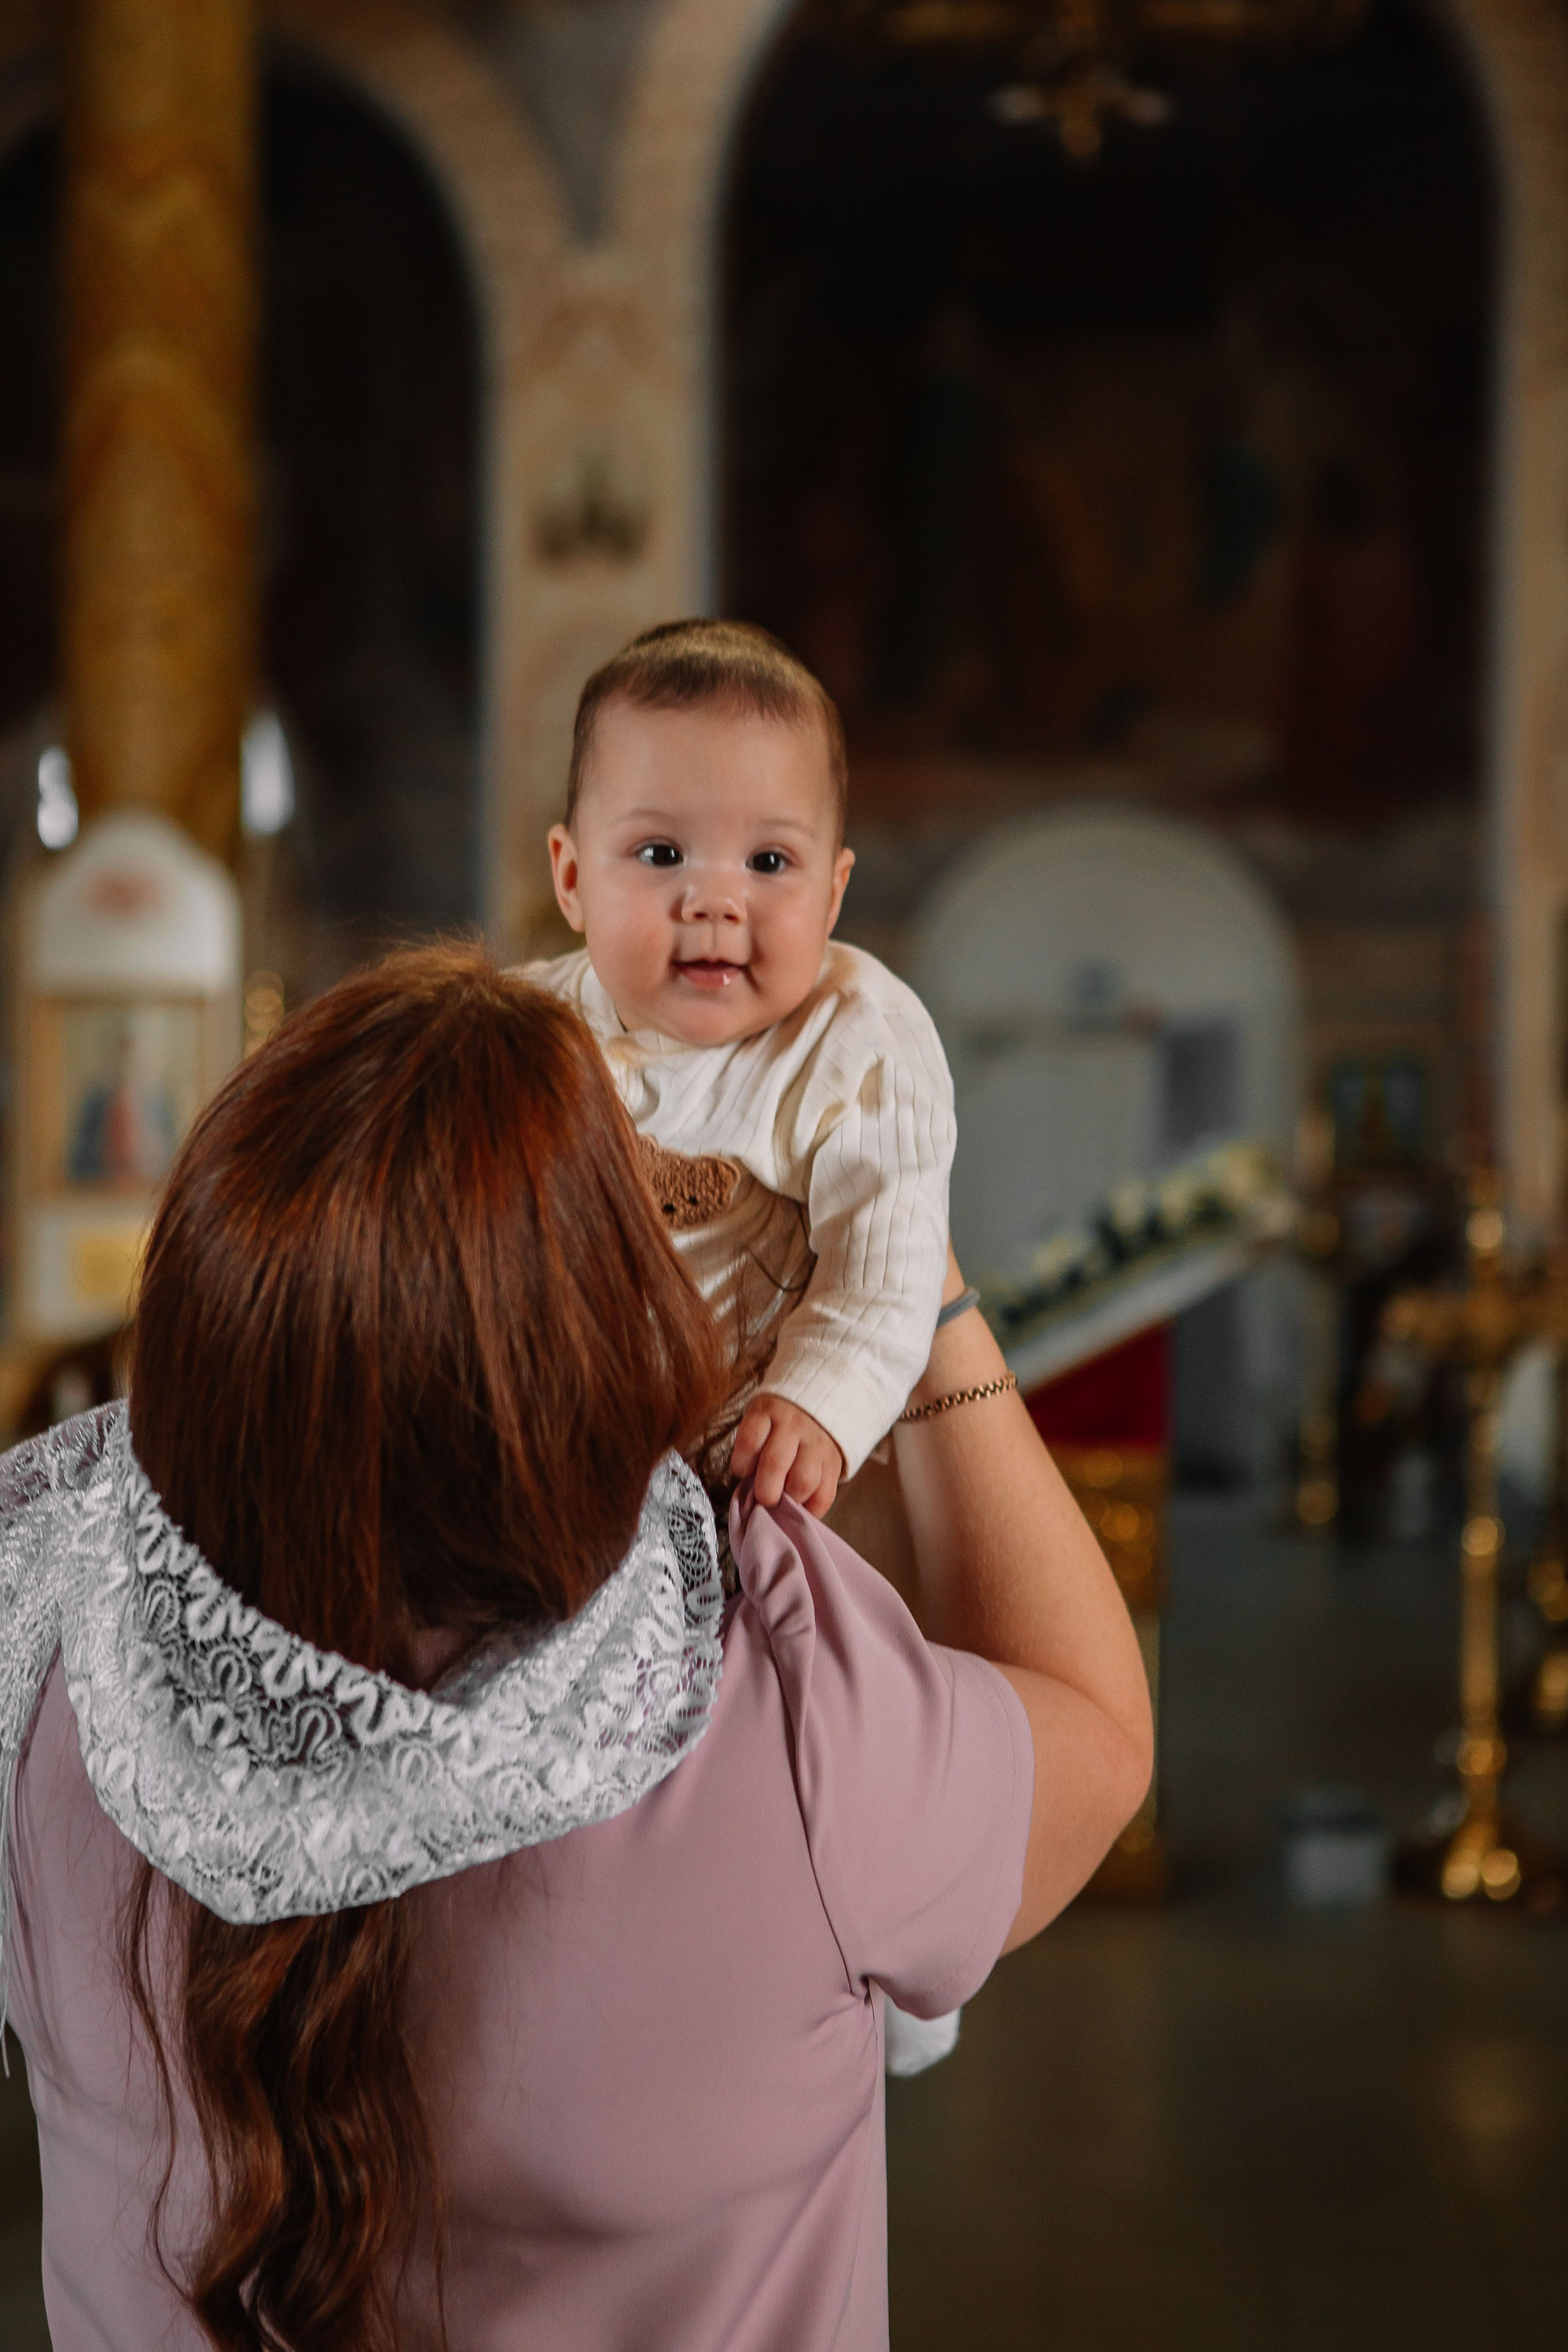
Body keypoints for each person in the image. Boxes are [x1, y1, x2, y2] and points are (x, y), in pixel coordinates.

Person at [1, 946, 1151, 2352]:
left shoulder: (44, 1669)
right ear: (603, 1332)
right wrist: (902, 1264)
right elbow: (1095, 1733)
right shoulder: (777, 1708)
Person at [535, 617, 955, 1522]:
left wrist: (818, 1399)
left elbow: (884, 1268)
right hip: (543, 1450)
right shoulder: (524, 1030)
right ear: (571, 878)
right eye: (660, 855)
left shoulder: (853, 1042)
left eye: (769, 862)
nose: (715, 901)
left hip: (749, 1469)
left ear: (834, 893)